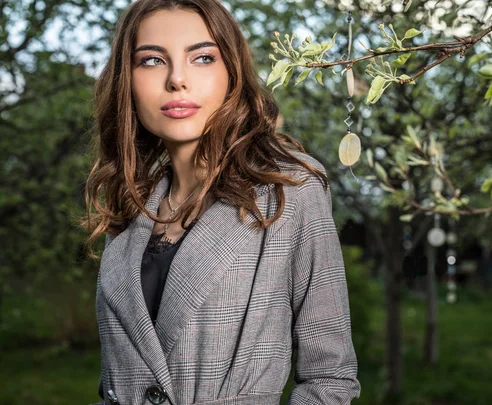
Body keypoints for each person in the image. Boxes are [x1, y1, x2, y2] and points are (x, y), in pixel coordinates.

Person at [84, 0, 360, 404]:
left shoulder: (290, 188)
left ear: (232, 72)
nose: (177, 79)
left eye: (202, 57)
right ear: (127, 81)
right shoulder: (131, 205)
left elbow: (330, 378)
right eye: (151, 61)